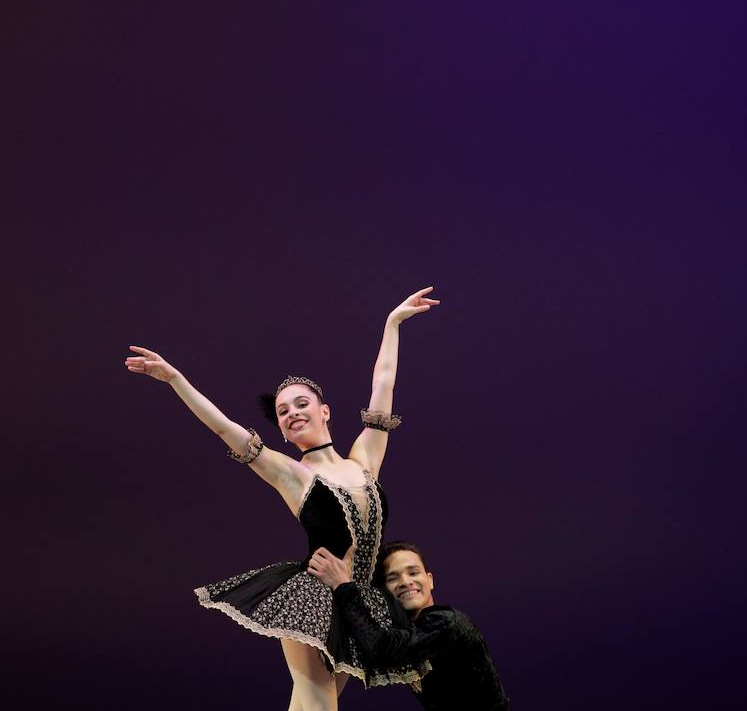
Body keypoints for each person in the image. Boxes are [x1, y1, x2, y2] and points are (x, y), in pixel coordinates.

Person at [124, 288, 440, 711]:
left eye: (301, 404)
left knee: (310, 704)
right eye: (283, 413)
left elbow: (383, 385)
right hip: (311, 597)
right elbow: (224, 428)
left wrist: (392, 324)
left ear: (325, 411)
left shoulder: (364, 460)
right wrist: (176, 380)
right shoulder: (294, 475)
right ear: (283, 432)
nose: (292, 413)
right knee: (318, 701)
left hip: (358, 599)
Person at [307, 540, 511, 710]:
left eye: (413, 573)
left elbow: (382, 648)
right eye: (392, 578)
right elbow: (369, 638)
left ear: (430, 580)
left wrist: (343, 586)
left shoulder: (448, 623)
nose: (405, 582)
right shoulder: (408, 631)